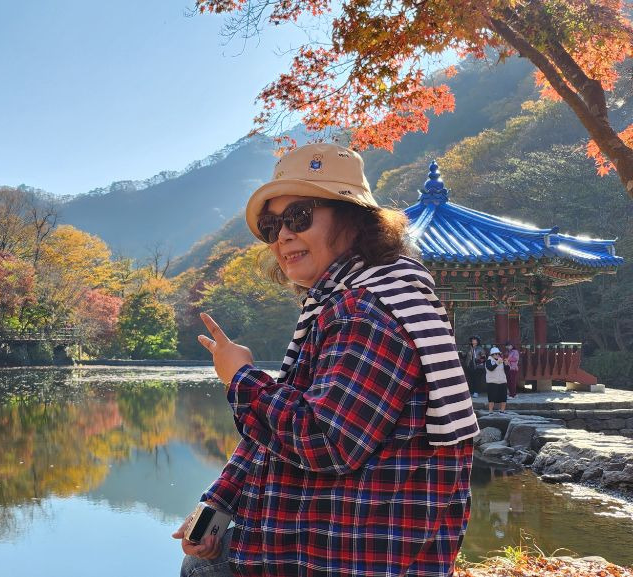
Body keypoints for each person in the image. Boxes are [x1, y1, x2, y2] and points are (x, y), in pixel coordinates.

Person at [174, 143, 478, 577]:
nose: (283, 235)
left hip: (350, 556)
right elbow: (277, 436)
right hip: (336, 543)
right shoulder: (358, 298)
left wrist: (240, 377)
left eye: (299, 216)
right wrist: (217, 504)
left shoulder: (364, 311)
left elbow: (326, 440)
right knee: (202, 562)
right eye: (272, 225)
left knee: (202, 570)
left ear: (354, 219)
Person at [485, 347, 509, 412]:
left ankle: (502, 411)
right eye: (496, 354)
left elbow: (507, 370)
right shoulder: (488, 361)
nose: (497, 355)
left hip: (502, 381)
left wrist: (506, 364)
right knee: (491, 398)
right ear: (492, 354)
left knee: (503, 397)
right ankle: (490, 411)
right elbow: (490, 368)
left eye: (498, 354)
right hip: (492, 382)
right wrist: (497, 363)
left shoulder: (501, 360)